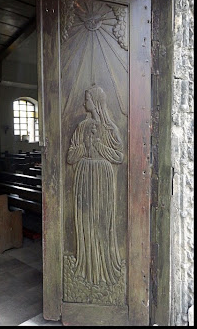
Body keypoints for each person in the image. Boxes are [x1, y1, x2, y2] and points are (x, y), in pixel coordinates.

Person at [66, 85, 123, 285]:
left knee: (101, 221)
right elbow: (71, 157)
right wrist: (85, 146)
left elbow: (119, 156)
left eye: (87, 99)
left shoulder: (110, 129)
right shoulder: (81, 127)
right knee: (85, 220)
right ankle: (86, 268)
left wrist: (98, 145)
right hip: (84, 176)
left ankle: (105, 268)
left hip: (103, 178)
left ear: (96, 102)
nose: (84, 103)